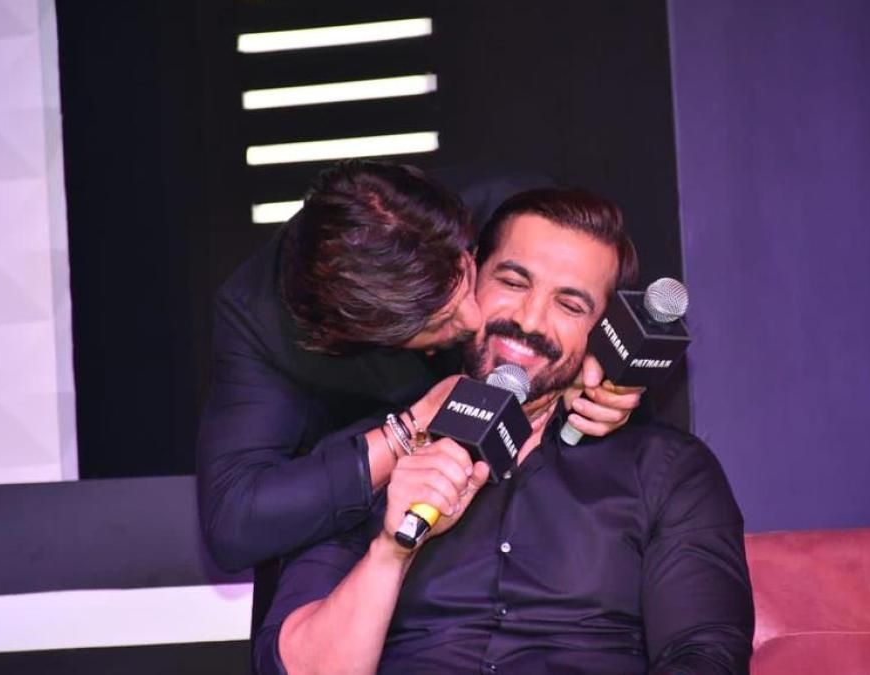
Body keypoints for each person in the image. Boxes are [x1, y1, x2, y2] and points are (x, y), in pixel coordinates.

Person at [256, 188, 754, 675]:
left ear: (602, 331)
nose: (529, 321)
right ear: (469, 278)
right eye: (514, 282)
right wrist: (392, 549)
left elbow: (705, 654)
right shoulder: (373, 459)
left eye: (570, 306)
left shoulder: (666, 470)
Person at [195, 161, 644, 634]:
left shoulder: (487, 208)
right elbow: (234, 523)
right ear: (366, 338)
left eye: (466, 274)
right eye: (440, 322)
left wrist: (596, 358)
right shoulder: (260, 325)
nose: (472, 318)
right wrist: (410, 429)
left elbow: (594, 276)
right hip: (360, 538)